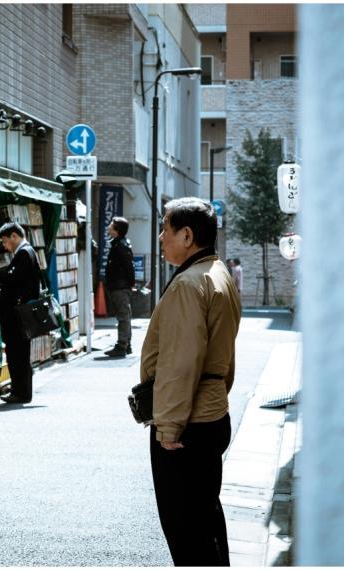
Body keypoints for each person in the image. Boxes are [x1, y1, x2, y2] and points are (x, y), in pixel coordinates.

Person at [140, 197, 241, 566]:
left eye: (165, 228)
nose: (161, 237)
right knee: (206, 518)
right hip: (211, 412)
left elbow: (180, 363)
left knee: (186, 528)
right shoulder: (219, 273)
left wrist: (168, 427)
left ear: (187, 234)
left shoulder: (189, 283)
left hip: (187, 423)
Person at [0, 222, 41, 404]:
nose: (5, 246)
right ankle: (20, 390)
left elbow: (13, 278)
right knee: (18, 353)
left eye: (5, 241)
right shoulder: (26, 252)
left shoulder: (23, 253)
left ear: (14, 236)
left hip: (17, 315)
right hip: (18, 313)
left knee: (17, 353)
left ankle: (20, 392)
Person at [103, 216, 135, 357]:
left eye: (111, 224)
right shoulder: (118, 243)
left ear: (117, 230)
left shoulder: (121, 246)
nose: (109, 226)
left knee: (123, 317)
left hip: (120, 286)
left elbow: (129, 267)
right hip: (119, 285)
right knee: (124, 316)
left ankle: (122, 346)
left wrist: (130, 284)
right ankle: (126, 345)